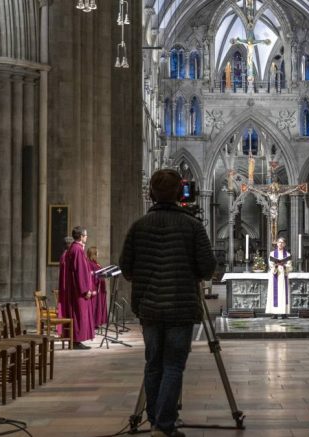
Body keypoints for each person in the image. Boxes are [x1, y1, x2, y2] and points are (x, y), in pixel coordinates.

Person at [120, 168, 215, 437]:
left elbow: (126, 268)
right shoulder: (192, 226)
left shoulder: (138, 227)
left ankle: (156, 421)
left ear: (150, 194)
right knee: (173, 364)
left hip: (149, 307)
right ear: (179, 194)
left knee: (153, 364)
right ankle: (163, 425)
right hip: (180, 307)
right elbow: (208, 268)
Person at [59, 227, 96, 349]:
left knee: (77, 314)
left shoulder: (73, 249)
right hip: (79, 291)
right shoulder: (77, 250)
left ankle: (75, 340)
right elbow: (80, 272)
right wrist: (86, 290)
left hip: (75, 289)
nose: (86, 237)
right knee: (79, 315)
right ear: (81, 236)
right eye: (85, 235)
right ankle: (77, 340)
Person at [265, 237, 292, 319]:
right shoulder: (272, 254)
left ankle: (284, 313)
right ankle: (274, 313)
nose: (280, 244)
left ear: (284, 244)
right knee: (274, 294)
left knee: (283, 293)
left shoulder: (287, 254)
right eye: (279, 242)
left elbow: (290, 266)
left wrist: (284, 265)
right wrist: (276, 265)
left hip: (283, 276)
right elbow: (270, 265)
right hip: (275, 275)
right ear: (276, 243)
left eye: (282, 242)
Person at [87, 246, 108, 329]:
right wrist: (92, 289)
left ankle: (97, 322)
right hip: (95, 288)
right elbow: (90, 277)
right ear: (93, 254)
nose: (98, 254)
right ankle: (93, 323)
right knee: (94, 306)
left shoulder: (96, 263)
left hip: (100, 288)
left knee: (99, 306)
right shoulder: (89, 263)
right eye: (97, 252)